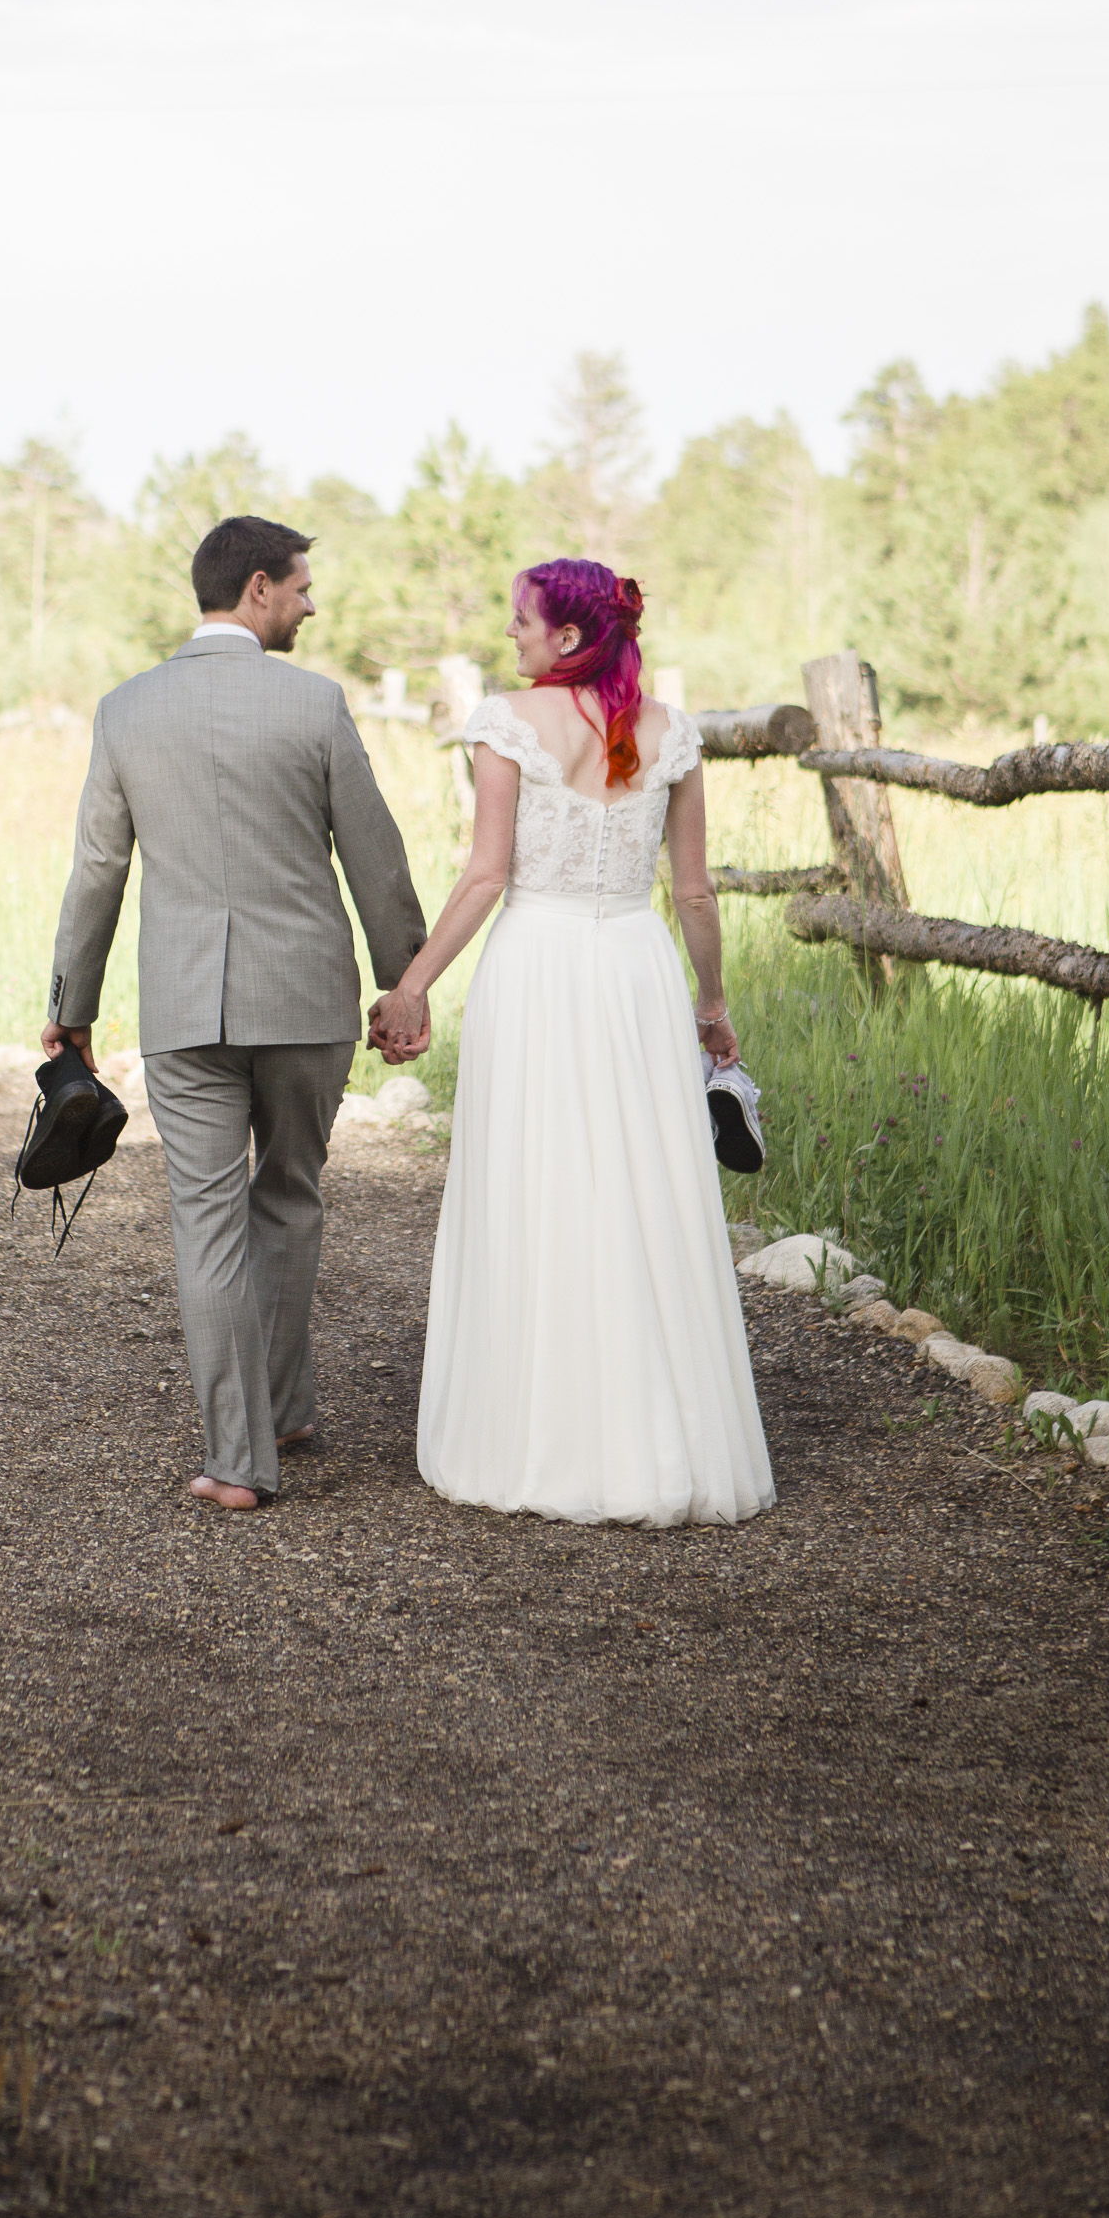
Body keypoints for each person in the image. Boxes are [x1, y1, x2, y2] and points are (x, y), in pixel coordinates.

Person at [369, 559, 775, 1528]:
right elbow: (694, 893)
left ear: (565, 635)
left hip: (540, 964)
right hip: (635, 965)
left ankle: (532, 1438)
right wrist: (711, 1004)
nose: (511, 634)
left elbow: (485, 875)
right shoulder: (670, 732)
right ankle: (658, 1438)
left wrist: (411, 985)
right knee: (641, 1186)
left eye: (522, 620)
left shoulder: (509, 722)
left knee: (537, 1179)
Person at [44, 516, 428, 1512]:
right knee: (293, 1193)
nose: (312, 602)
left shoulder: (127, 710)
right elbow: (374, 855)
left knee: (207, 1219)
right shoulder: (314, 704)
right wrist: (405, 980)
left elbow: (99, 869)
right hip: (304, 998)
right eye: (303, 585)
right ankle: (288, 1407)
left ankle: (237, 1459)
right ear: (257, 587)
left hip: (184, 1007)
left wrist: (71, 1010)